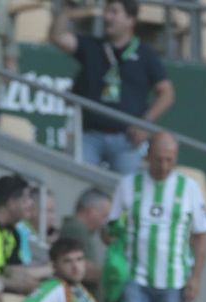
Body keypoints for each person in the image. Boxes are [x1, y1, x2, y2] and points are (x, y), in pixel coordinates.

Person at [48, 0, 172, 175]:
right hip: (88, 135)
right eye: (106, 11)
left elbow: (167, 93)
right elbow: (57, 36)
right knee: (76, 181)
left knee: (127, 188)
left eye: (114, 12)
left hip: (126, 140)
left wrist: (145, 123)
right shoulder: (92, 46)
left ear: (130, 19)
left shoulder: (146, 54)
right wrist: (66, 10)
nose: (107, 17)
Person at [110, 133, 206, 302]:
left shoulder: (189, 188)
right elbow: (111, 226)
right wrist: (111, 236)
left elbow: (201, 235)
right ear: (147, 155)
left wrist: (195, 277)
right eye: (158, 159)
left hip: (174, 281)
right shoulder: (128, 184)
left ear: (176, 158)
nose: (164, 166)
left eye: (169, 160)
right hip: (134, 277)